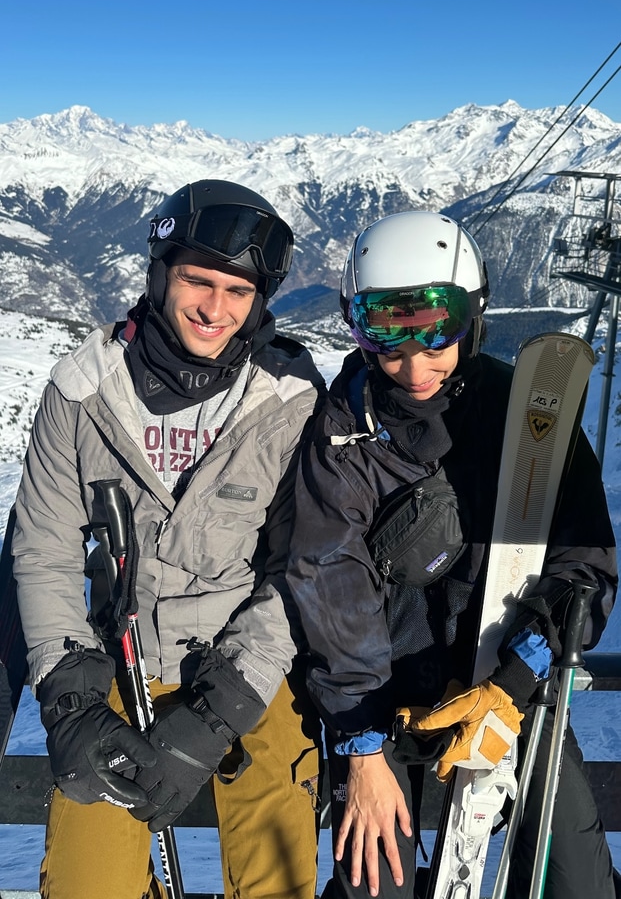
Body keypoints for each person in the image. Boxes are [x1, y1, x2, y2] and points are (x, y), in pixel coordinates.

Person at [285, 210, 618, 899]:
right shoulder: (343, 437)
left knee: (575, 881)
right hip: (382, 705)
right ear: (357, 327)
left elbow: (583, 566)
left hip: (510, 692)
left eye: (436, 331)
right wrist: (361, 750)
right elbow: (329, 589)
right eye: (386, 337)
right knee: (377, 878)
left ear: (472, 312)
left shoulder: (529, 418)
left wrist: (514, 684)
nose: (413, 364)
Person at [12, 179, 325, 899]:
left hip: (249, 665)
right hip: (115, 659)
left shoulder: (286, 399)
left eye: (237, 292)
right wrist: (69, 701)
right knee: (88, 883)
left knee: (277, 877)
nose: (215, 309)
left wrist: (223, 708)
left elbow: (301, 560)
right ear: (161, 272)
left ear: (260, 302)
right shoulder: (84, 393)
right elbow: (45, 549)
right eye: (197, 280)